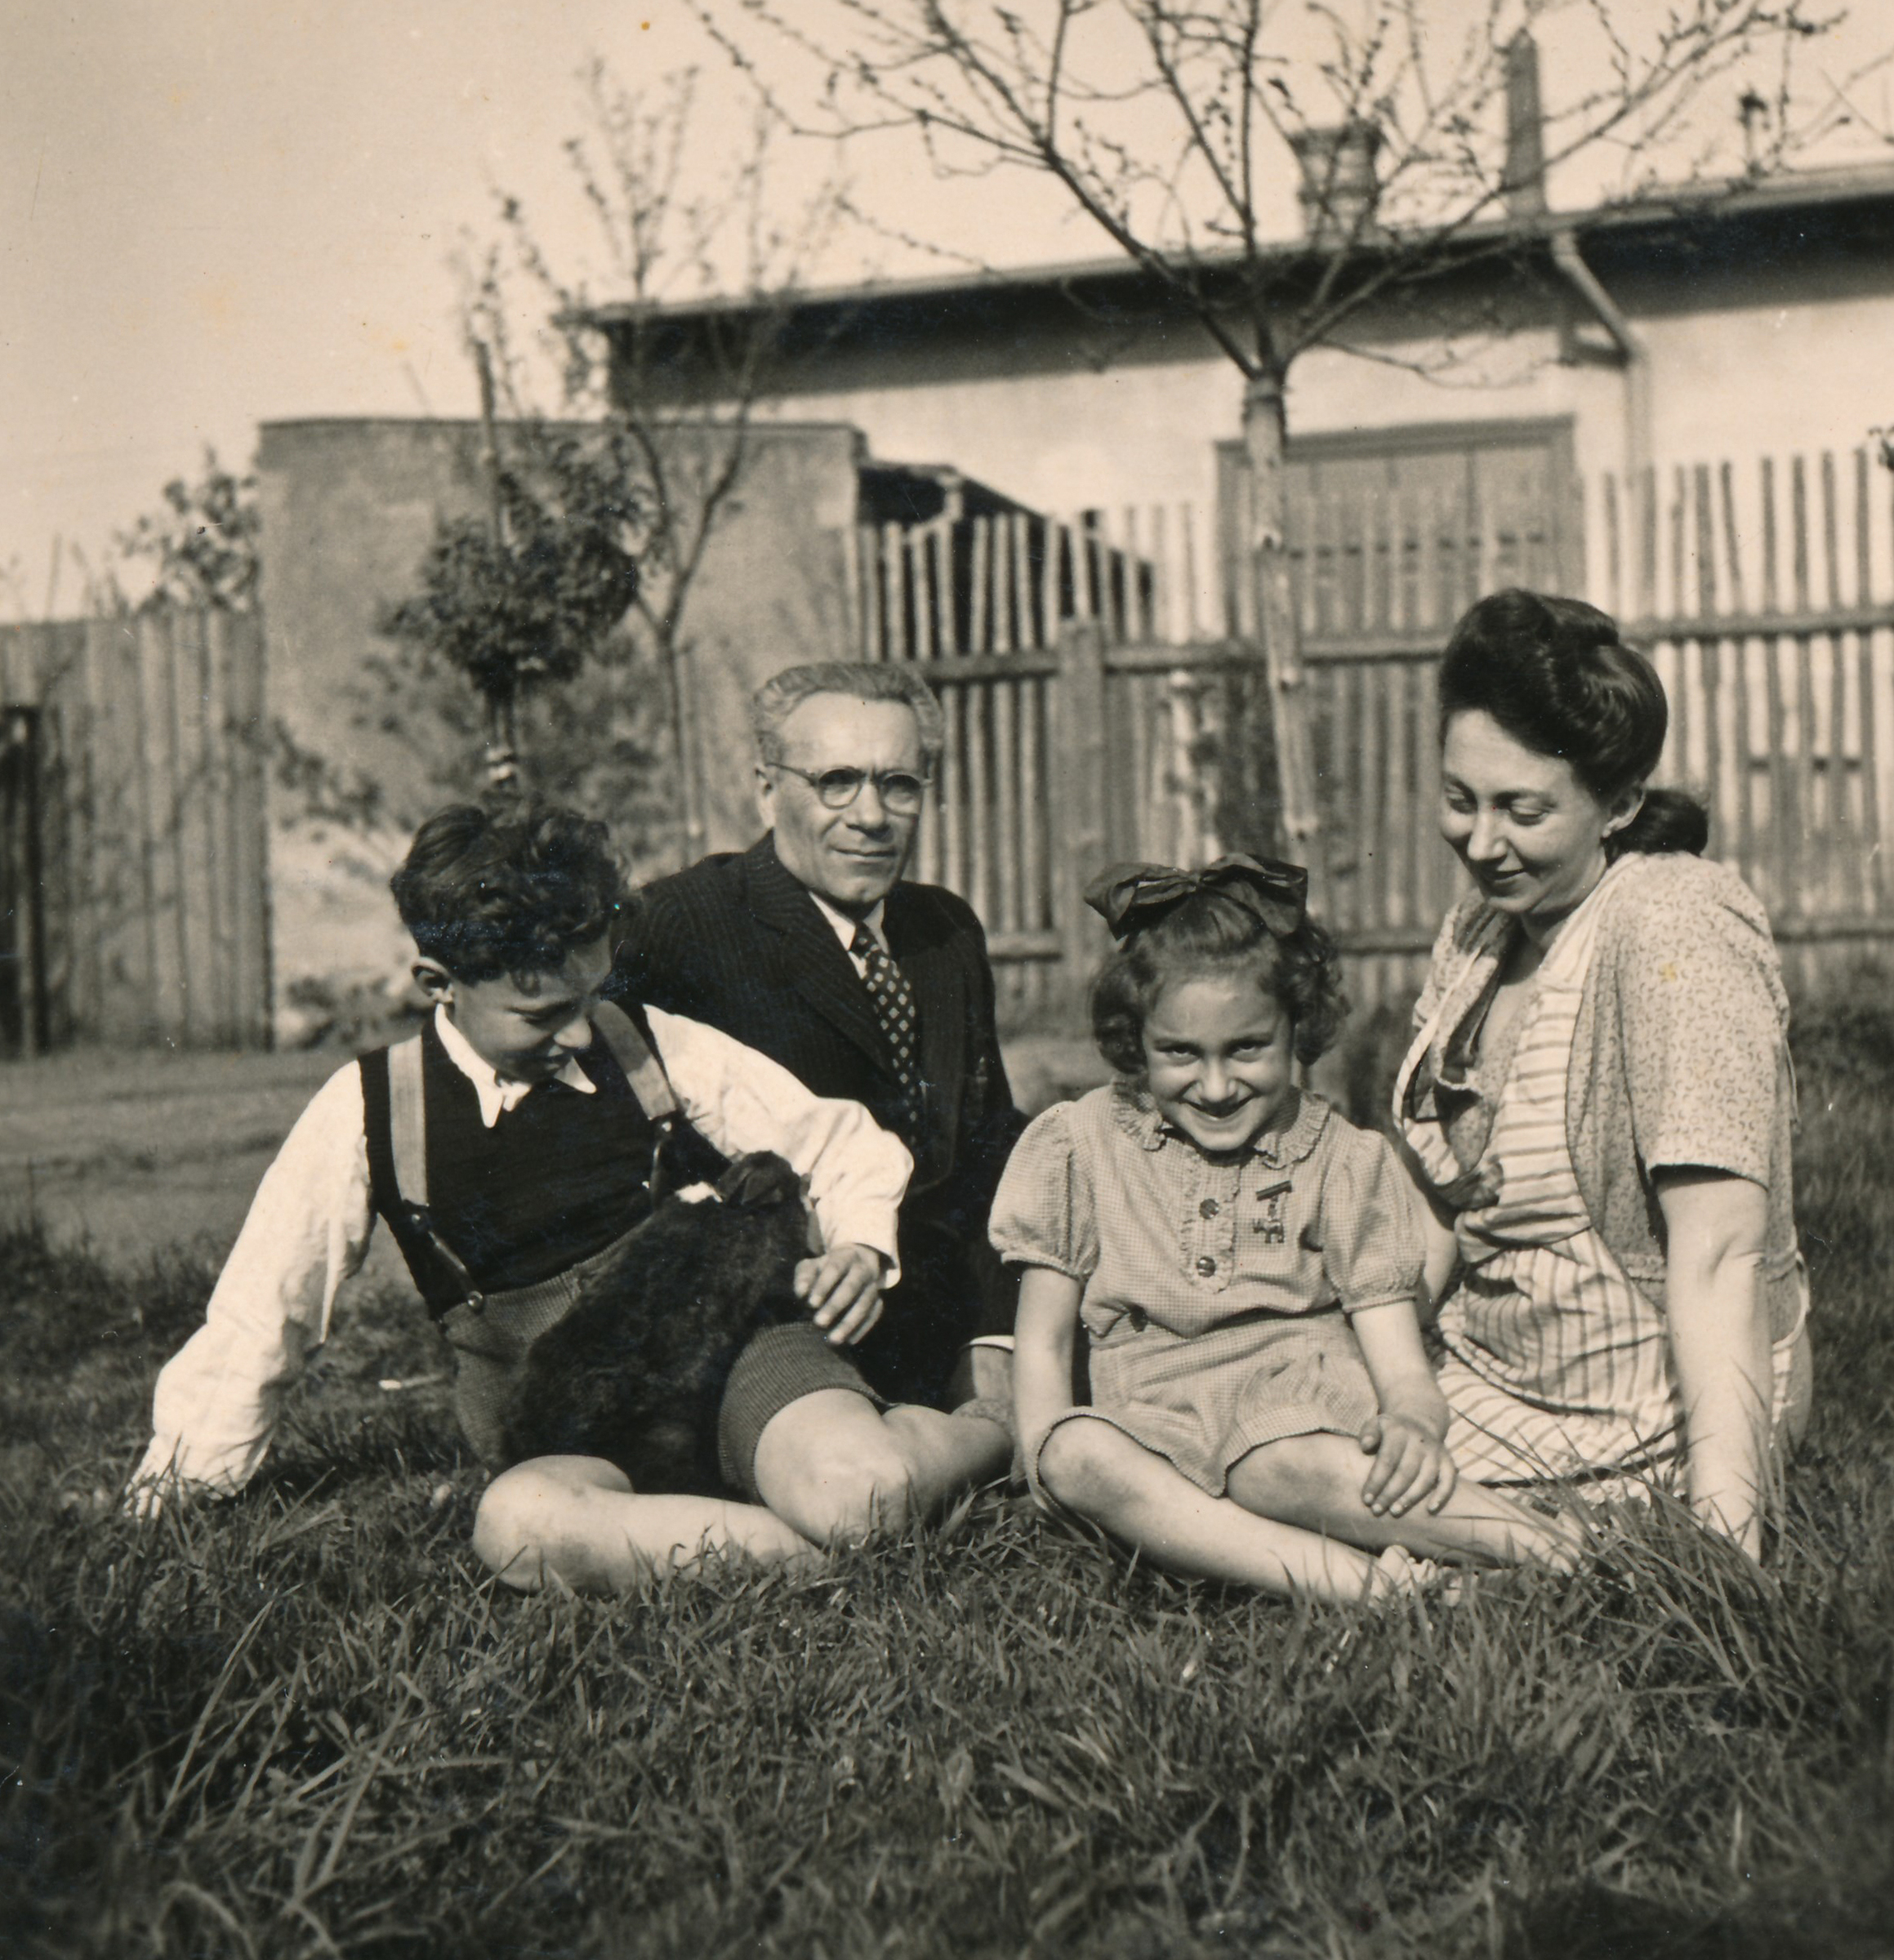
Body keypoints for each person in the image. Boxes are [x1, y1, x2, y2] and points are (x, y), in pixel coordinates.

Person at [130, 800, 979, 1590]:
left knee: (863, 1492)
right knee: (518, 1527)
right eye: (539, 1015)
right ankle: (821, 1552)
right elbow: (264, 1312)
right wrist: (177, 1491)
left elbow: (838, 1140)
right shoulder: (370, 1108)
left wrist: (859, 1245)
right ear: (439, 982)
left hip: (740, 1359)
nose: (578, 1032)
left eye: (589, 997)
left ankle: (988, 1436)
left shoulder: (646, 1044)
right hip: (570, 1435)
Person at [994, 857, 1575, 1602]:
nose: (1214, 1086)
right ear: (1135, 1039)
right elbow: (1042, 1341)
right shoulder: (1080, 1143)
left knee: (1270, 1468)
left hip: (1295, 1411)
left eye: (1247, 1048)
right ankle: (1375, 1588)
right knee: (1075, 1454)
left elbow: (1398, 1360)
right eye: (1179, 1052)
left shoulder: (1339, 1158)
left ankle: (1554, 1550)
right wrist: (1045, 1467)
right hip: (1149, 1421)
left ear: (1295, 1029)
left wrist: (1410, 1419)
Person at [1395, 588, 1813, 1559]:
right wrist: (1375, 1364)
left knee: (1297, 1474)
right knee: (1257, 1431)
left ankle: (1534, 1548)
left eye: (1523, 810)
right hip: (1497, 1375)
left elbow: (1720, 1253)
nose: (1481, 843)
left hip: (1658, 1399)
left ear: (1619, 804)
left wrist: (1726, 1539)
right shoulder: (1480, 929)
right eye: (1460, 800)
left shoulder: (1674, 922)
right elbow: (1432, 1205)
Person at [616, 662, 1021, 1502]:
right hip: (785, 1326)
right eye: (836, 781)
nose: (870, 816)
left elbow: (990, 1152)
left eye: (898, 784)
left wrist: (995, 1338)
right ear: (767, 789)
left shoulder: (945, 930)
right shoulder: (680, 926)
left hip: (943, 1312)